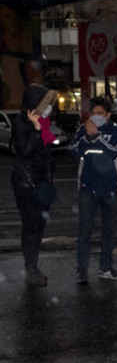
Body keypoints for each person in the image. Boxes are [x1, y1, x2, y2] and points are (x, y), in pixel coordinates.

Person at [69, 96, 117, 284]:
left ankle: (106, 268)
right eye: (93, 113)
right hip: (87, 186)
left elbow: (113, 152)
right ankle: (81, 269)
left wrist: (97, 136)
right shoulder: (82, 130)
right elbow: (74, 151)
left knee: (109, 230)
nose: (96, 117)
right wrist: (87, 136)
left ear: (108, 114)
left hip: (109, 186)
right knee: (85, 230)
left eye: (100, 113)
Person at [10, 83, 57, 286]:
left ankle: (34, 265)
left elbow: (49, 146)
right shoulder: (20, 123)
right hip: (26, 183)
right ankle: (31, 268)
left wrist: (42, 129)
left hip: (41, 183)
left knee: (39, 225)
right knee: (30, 225)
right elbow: (26, 151)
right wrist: (37, 130)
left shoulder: (43, 121)